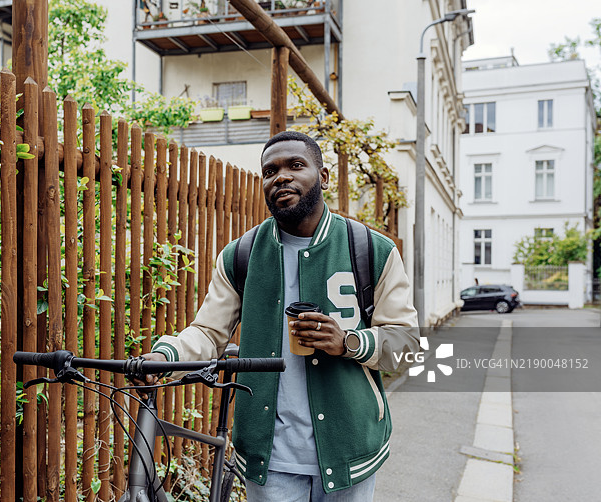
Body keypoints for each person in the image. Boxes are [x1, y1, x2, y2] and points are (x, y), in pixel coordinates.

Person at [142, 131, 419, 501]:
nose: (281, 177)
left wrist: (348, 341)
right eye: (270, 171)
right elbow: (208, 333)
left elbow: (406, 345)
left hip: (350, 451)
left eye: (296, 165)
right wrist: (166, 356)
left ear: (323, 177)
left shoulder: (371, 249)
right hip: (269, 461)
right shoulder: (240, 256)